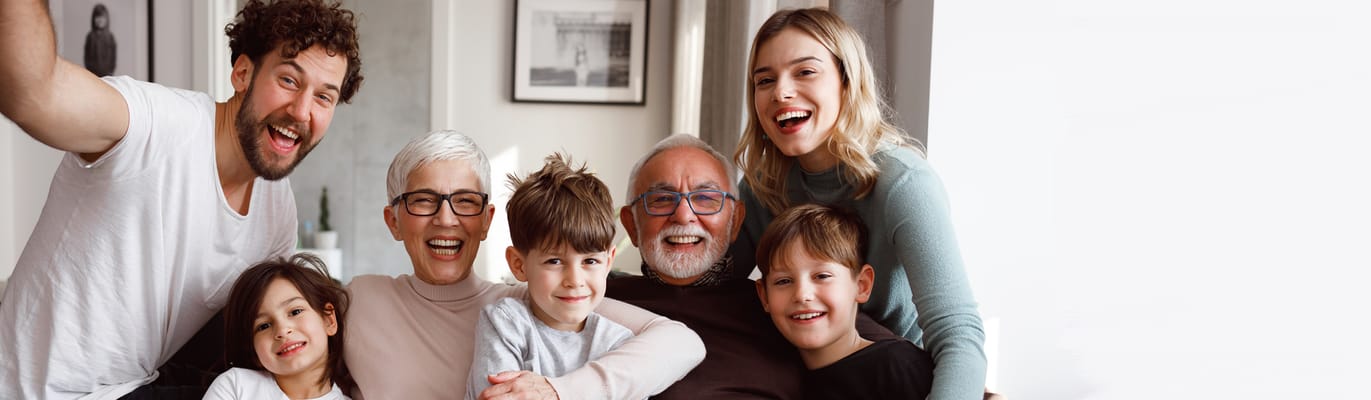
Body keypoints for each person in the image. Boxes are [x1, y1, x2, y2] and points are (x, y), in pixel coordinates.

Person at [0, 0, 363, 398]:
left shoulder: (277, 215)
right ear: (242, 73)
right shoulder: (155, 123)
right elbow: (32, 93)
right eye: (289, 81)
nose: (302, 111)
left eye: (324, 97)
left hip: (135, 389)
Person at [729, 7, 987, 400]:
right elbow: (720, 291)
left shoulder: (903, 183)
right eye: (765, 80)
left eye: (805, 72)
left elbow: (958, 332)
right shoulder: (763, 187)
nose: (781, 92)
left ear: (847, 83)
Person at [344, 130, 703, 399]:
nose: (446, 219)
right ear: (393, 221)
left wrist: (559, 390)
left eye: (465, 201)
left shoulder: (535, 300)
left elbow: (682, 343)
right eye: (424, 201)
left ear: (486, 220)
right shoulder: (360, 300)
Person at [607, 134, 900, 399]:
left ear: (735, 221)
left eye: (706, 199)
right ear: (632, 225)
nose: (684, 215)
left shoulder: (782, 302)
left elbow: (893, 362)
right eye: (661, 200)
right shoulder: (593, 300)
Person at [465, 154, 633, 399]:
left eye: (590, 261)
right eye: (554, 261)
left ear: (608, 262)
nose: (575, 280)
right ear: (519, 265)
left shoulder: (619, 344)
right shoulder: (505, 323)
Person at [754, 204, 934, 399]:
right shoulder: (779, 382)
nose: (802, 294)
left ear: (862, 285)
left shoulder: (898, 365)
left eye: (822, 276)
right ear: (764, 296)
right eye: (784, 281)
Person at [205, 254, 351, 400]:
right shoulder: (235, 386)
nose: (282, 330)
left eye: (295, 312)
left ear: (329, 320)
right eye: (264, 326)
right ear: (253, 350)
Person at [84, 3, 117, 77]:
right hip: (92, 74)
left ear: (107, 19)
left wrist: (110, 71)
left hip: (108, 74)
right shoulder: (90, 36)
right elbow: (87, 57)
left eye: (102, 17)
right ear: (93, 19)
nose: (100, 20)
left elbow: (113, 58)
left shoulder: (110, 37)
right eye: (97, 17)